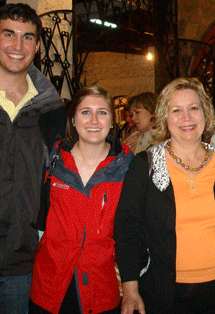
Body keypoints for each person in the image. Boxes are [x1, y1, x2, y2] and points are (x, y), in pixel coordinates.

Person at [0, 3, 66, 313]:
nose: (18, 46)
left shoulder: (51, 112)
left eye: (28, 37)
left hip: (23, 269)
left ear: (37, 46)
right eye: (9, 34)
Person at [114, 78, 215, 314]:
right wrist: (130, 290)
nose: (186, 118)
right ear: (164, 117)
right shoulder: (145, 166)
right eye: (176, 110)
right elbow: (127, 229)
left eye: (194, 108)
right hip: (163, 294)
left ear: (205, 113)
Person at [29, 85, 133, 314]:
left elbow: (134, 232)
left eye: (102, 112)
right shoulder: (53, 161)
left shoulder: (128, 168)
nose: (94, 120)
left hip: (102, 288)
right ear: (73, 120)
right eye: (86, 112)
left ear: (112, 121)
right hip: (50, 287)